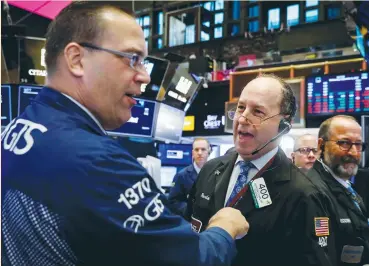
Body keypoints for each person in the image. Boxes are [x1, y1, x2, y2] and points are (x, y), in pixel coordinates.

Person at [1, 2, 249, 265]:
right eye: (133, 59)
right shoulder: (99, 163)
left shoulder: (19, 129)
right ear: (77, 59)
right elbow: (190, 260)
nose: (144, 76)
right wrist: (224, 228)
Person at [186, 74, 336, 266]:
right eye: (241, 107)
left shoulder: (304, 194)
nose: (242, 118)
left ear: (284, 125)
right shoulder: (210, 169)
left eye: (257, 112)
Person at [306, 115, 369, 266]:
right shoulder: (312, 192)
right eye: (344, 143)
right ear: (321, 145)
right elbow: (319, 258)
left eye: (358, 144)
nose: (353, 152)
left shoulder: (346, 187)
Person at [169, 138, 211, 215]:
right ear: (192, 153)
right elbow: (173, 201)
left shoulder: (215, 173)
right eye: (196, 149)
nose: (200, 153)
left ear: (208, 152)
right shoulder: (181, 176)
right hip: (189, 221)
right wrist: (190, 210)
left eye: (203, 149)